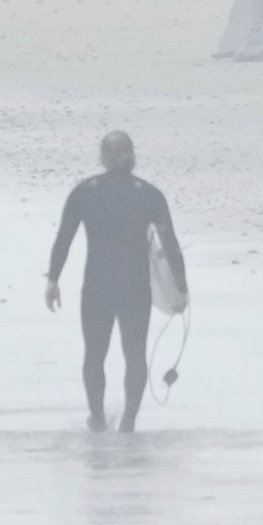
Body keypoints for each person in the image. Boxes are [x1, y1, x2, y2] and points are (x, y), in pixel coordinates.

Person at [46, 131, 187, 434]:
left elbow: (64, 239)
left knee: (94, 354)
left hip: (97, 285)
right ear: (132, 156)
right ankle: (128, 422)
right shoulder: (148, 194)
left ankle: (97, 419)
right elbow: (170, 244)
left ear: (102, 157)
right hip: (134, 286)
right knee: (134, 353)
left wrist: (53, 279)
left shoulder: (85, 192)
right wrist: (181, 288)